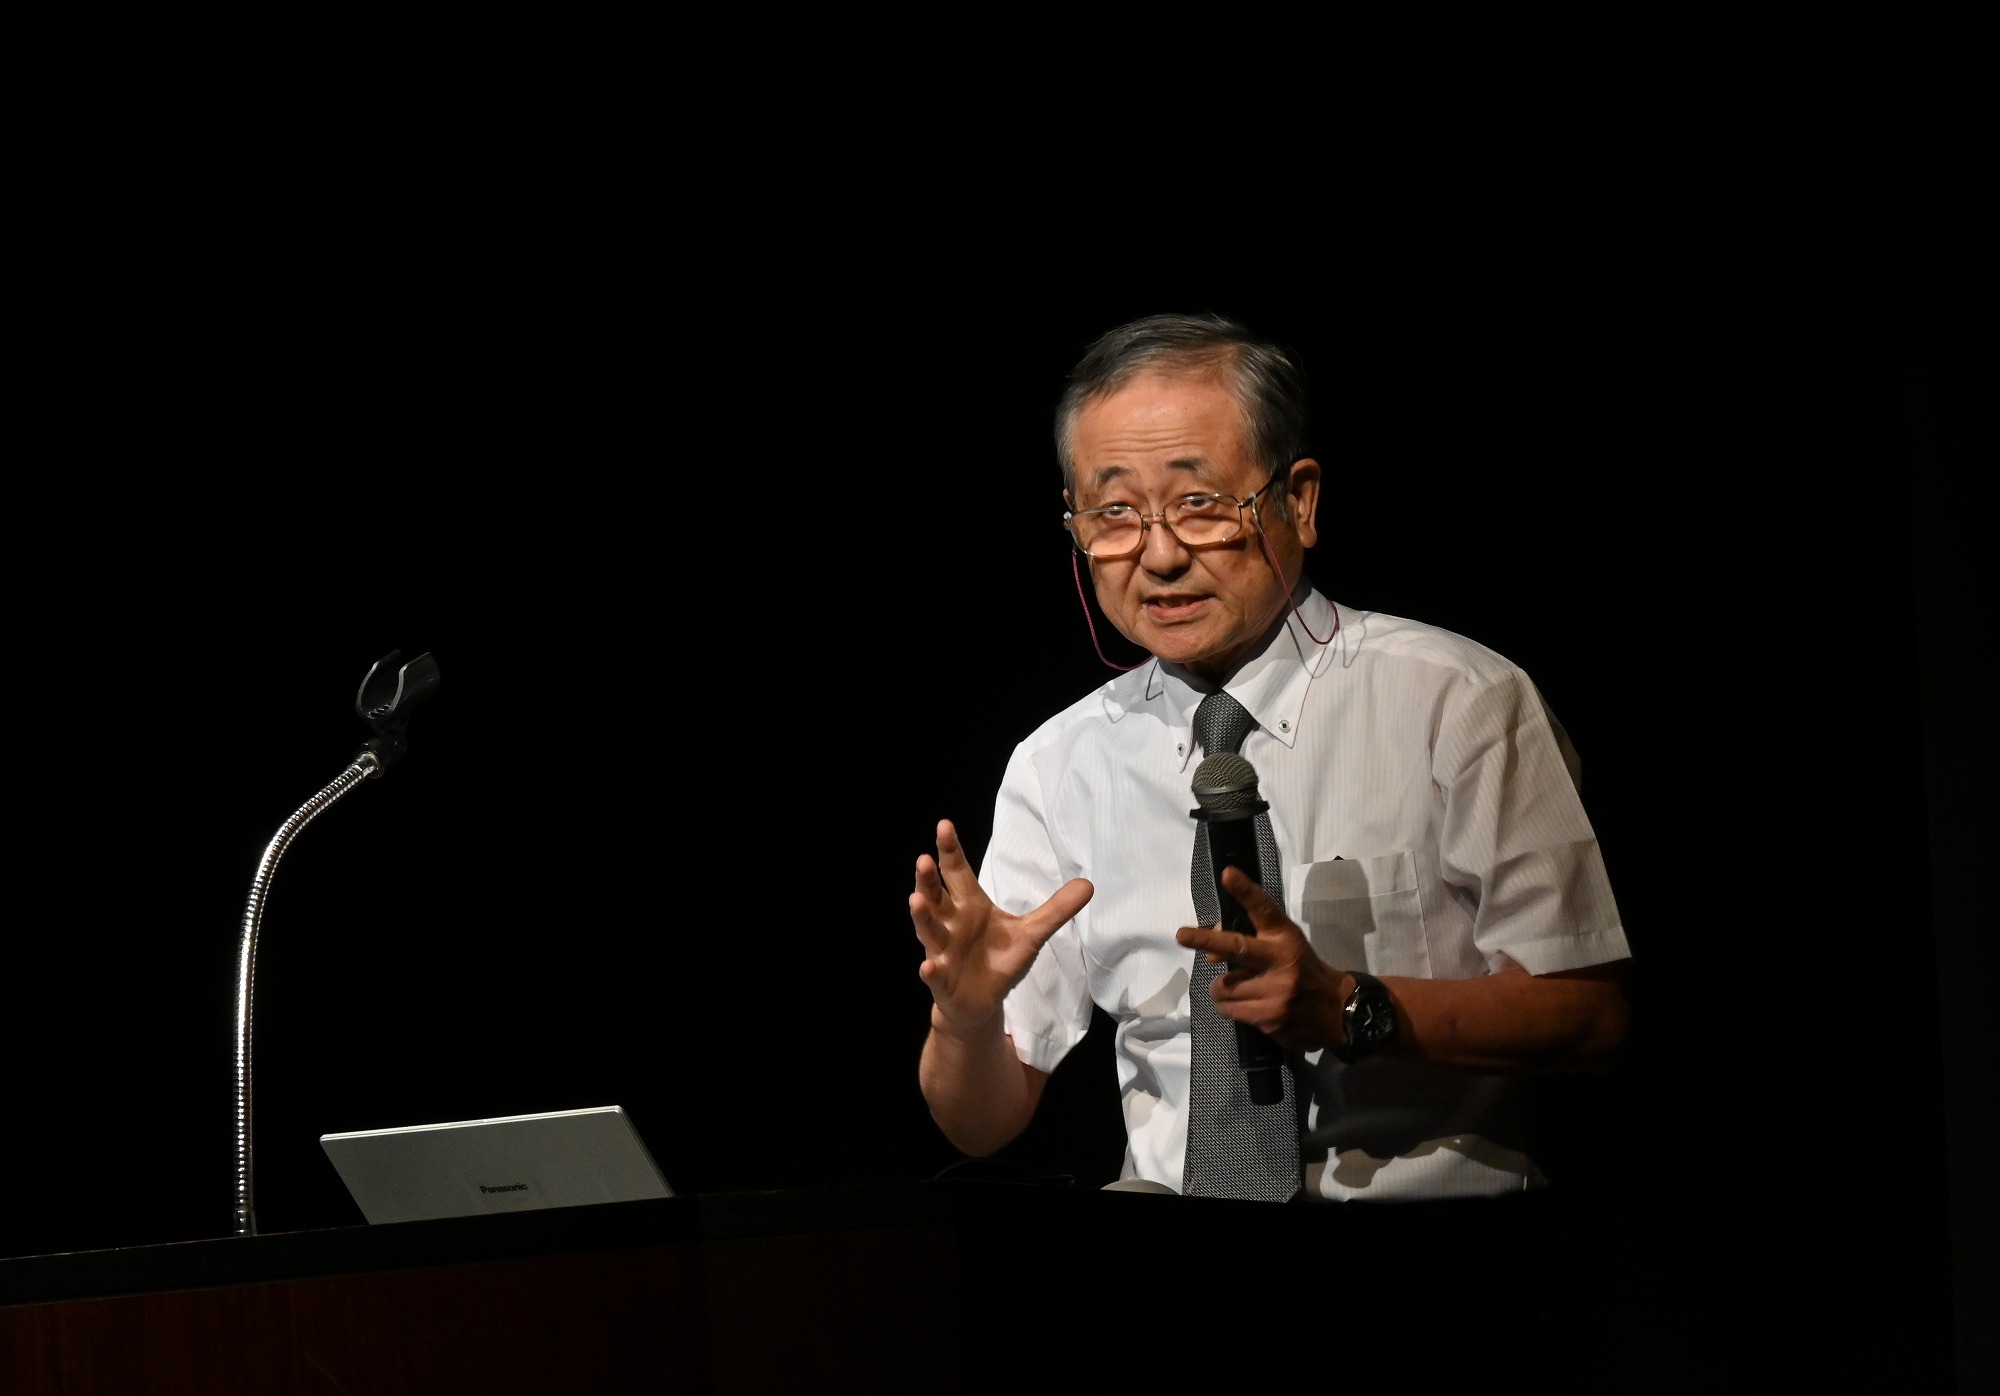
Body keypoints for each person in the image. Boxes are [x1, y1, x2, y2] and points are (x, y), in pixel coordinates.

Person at [912, 312, 1631, 1203]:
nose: (1162, 554)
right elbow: (978, 1124)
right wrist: (967, 1017)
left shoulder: (1457, 698)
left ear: (1299, 501)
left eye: (1201, 504)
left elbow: (1593, 1014)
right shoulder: (1058, 763)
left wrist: (1347, 1007)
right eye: (1116, 514)